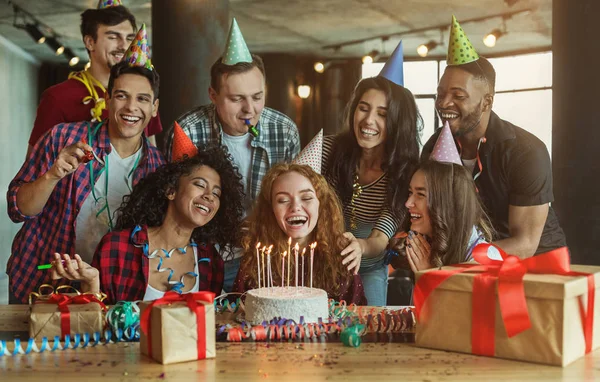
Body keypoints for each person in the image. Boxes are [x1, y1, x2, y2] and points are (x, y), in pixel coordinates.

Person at [7, 25, 164, 304]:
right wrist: (53, 175)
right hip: (43, 281)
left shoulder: (157, 169)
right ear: (107, 98)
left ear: (154, 108)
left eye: (142, 99)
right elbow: (18, 210)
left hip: (110, 291)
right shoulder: (63, 137)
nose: (131, 107)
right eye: (121, 95)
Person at [164, 18, 300, 292]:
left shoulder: (284, 130)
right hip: (202, 253)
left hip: (265, 257)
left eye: (257, 96)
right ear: (213, 95)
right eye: (237, 99)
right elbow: (174, 202)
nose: (250, 109)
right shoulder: (188, 130)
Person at [420, 16, 566, 258]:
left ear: (487, 101)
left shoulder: (526, 152)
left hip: (536, 269)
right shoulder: (433, 148)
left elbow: (525, 243)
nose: (444, 103)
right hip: (469, 266)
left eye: (458, 95)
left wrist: (457, 257)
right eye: (441, 93)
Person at [50, 143, 246, 304]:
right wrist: (91, 283)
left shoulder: (211, 262)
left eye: (216, 193)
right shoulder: (117, 247)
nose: (209, 196)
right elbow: (95, 325)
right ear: (171, 191)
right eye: (200, 185)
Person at [322, 42, 421, 306]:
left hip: (368, 268)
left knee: (370, 333)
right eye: (363, 108)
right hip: (319, 264)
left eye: (383, 114)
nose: (368, 121)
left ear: (398, 122)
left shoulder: (404, 174)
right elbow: (293, 185)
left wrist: (360, 247)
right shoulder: (328, 149)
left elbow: (380, 237)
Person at [26, 0, 162, 156]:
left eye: (129, 38)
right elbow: (34, 166)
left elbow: (151, 151)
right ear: (90, 42)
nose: (124, 46)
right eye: (113, 37)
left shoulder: (142, 96)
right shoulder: (57, 97)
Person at [233, 163, 366, 305]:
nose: (295, 207)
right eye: (283, 200)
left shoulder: (342, 255)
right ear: (271, 210)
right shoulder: (257, 258)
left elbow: (355, 315)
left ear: (321, 204)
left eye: (306, 198)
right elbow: (238, 311)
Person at [389, 160, 495, 273]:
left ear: (447, 204)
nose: (408, 203)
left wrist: (430, 275)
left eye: (420, 194)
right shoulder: (424, 248)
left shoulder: (484, 260)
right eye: (410, 192)